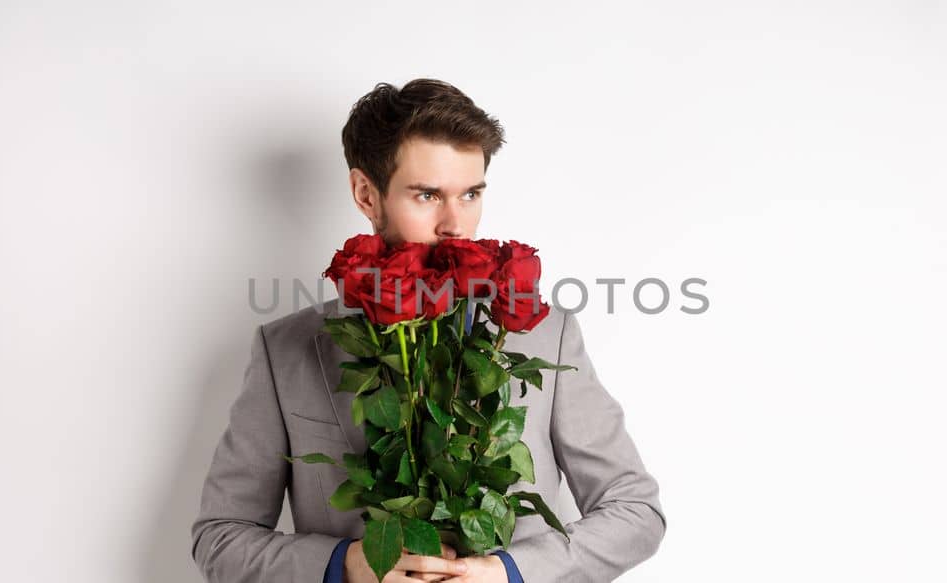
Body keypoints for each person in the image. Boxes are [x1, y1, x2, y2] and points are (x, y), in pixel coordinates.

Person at [190, 78, 666, 582]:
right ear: (366, 194)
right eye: (427, 196)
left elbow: (636, 513)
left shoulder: (547, 335)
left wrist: (510, 573)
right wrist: (349, 565)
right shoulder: (283, 349)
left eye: (471, 194)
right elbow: (220, 536)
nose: (455, 225)